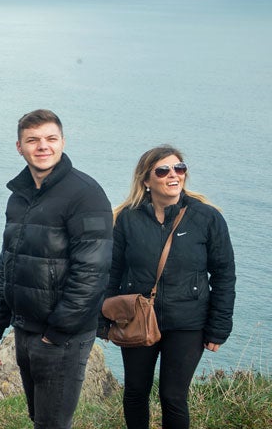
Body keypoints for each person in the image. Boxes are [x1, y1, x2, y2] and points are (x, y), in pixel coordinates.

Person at [0, 109, 113, 429]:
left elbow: (92, 272)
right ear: (19, 147)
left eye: (51, 139)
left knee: (52, 424)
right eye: (33, 140)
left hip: (62, 337)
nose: (43, 146)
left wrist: (56, 333)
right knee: (39, 419)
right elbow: (8, 262)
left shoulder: (85, 194)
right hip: (25, 329)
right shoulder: (20, 197)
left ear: (63, 142)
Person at [105, 145, 235, 429]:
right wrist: (103, 320)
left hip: (188, 323)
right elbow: (111, 272)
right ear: (146, 180)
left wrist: (219, 326)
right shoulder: (127, 218)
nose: (173, 175)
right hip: (137, 318)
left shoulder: (207, 218)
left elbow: (224, 274)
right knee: (136, 392)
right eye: (163, 170)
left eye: (179, 168)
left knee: (173, 396)